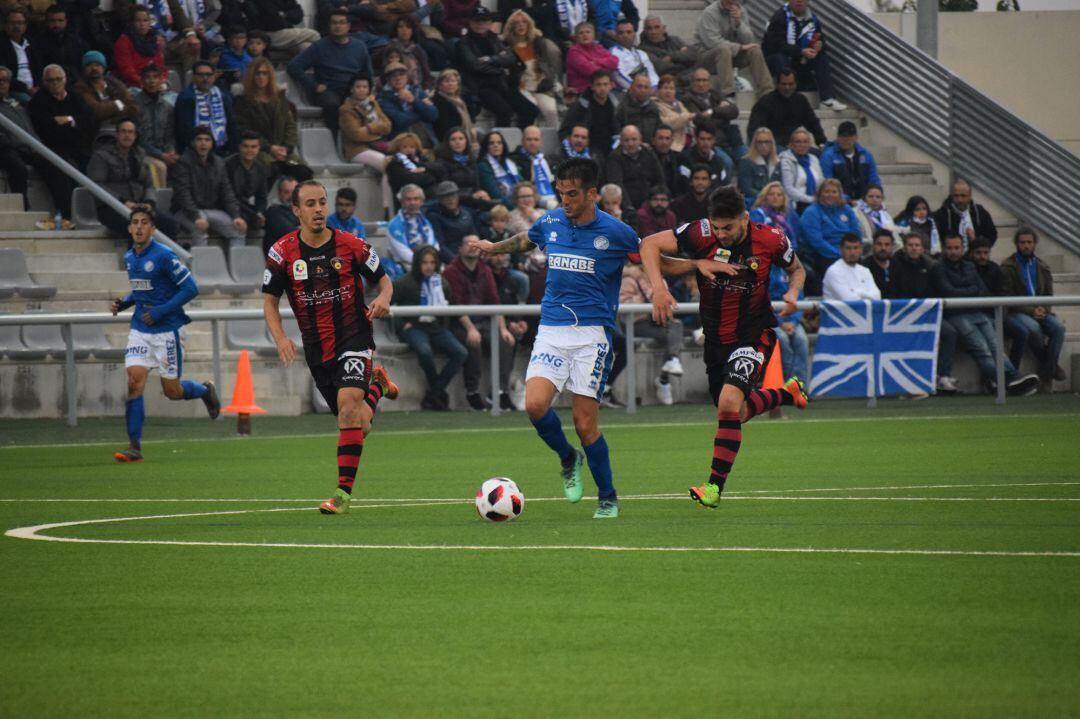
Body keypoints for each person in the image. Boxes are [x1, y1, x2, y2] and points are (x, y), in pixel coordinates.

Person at [468, 158, 642, 519]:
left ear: (592, 194)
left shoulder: (616, 232)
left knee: (585, 423)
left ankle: (607, 496)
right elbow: (525, 240)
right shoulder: (550, 221)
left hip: (592, 335)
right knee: (534, 406)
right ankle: (568, 456)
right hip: (551, 330)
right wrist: (493, 247)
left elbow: (652, 256)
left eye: (573, 194)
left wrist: (688, 270)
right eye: (560, 192)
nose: (564, 200)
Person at [640, 185, 808, 508]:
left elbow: (796, 269)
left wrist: (793, 293)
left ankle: (713, 488)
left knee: (729, 404)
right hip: (715, 340)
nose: (721, 234)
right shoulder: (701, 234)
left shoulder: (771, 238)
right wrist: (659, 289)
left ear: (745, 218)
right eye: (716, 227)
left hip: (753, 333)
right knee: (737, 412)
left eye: (728, 227)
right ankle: (787, 393)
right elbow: (649, 246)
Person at [263, 180, 397, 514]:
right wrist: (280, 337)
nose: (319, 209)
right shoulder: (282, 252)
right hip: (316, 348)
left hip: (354, 336)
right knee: (358, 423)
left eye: (322, 202)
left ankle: (341, 495)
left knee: (349, 409)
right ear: (296, 210)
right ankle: (378, 386)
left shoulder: (352, 245)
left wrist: (383, 297)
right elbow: (269, 301)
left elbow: (384, 280)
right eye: (310, 203)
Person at [110, 206, 220, 463]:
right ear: (129, 228)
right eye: (135, 223)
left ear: (152, 229)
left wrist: (160, 311)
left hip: (167, 331)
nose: (138, 227)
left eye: (144, 223)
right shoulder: (130, 258)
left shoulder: (164, 255)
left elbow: (191, 288)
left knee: (172, 391)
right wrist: (124, 303)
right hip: (140, 329)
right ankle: (134, 447)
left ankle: (204, 391)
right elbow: (140, 292)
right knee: (134, 382)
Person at [931, 234, 1038, 397]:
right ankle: (1011, 379)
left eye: (956, 248)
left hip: (977, 312)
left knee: (996, 347)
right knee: (982, 350)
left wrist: (965, 291)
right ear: (944, 249)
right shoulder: (938, 268)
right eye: (950, 248)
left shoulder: (969, 266)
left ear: (962, 248)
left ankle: (1011, 379)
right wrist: (970, 290)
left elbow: (981, 291)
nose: (953, 252)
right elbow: (949, 292)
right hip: (956, 315)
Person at [392, 244, 468, 410]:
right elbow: (387, 307)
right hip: (413, 328)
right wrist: (402, 324)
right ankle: (438, 393)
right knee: (424, 351)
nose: (428, 266)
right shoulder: (403, 283)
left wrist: (468, 328)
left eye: (432, 262)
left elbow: (453, 304)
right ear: (418, 263)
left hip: (435, 327)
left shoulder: (441, 282)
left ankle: (434, 392)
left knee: (460, 353)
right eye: (425, 262)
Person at [442, 234, 514, 411]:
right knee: (473, 342)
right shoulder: (451, 271)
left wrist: (503, 329)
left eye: (476, 243)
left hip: (484, 320)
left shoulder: (485, 270)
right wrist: (470, 328)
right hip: (460, 322)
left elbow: (494, 301)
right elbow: (455, 303)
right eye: (468, 243)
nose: (472, 246)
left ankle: (499, 391)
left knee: (504, 340)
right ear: (460, 248)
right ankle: (472, 391)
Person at [87, 118, 179, 241]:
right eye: (123, 131)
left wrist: (149, 202)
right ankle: (136, 260)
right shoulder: (101, 156)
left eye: (131, 132)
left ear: (135, 136)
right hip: (111, 207)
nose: (127, 135)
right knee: (137, 227)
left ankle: (167, 259)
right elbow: (97, 186)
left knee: (170, 224)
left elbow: (149, 185)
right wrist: (123, 201)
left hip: (140, 206)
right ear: (117, 134)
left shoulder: (140, 154)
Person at [286, 9, 374, 137]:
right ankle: (335, 140)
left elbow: (368, 73)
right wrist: (314, 86)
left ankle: (371, 141)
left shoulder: (359, 47)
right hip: (329, 91)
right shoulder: (319, 47)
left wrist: (369, 92)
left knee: (372, 105)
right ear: (329, 25)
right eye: (334, 23)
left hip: (353, 90)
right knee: (333, 105)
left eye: (341, 23)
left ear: (348, 26)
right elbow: (293, 66)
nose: (337, 26)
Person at [1000, 226, 1066, 393]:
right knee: (1033, 328)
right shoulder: (1008, 266)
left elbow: (1049, 294)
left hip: (1041, 310)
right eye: (1022, 242)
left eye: (1029, 242)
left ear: (1035, 244)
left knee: (1058, 328)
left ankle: (1046, 371)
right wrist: (1031, 311)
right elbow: (1008, 298)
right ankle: (1050, 371)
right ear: (1016, 244)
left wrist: (1044, 308)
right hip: (1019, 311)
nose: (1026, 246)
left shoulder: (1042, 266)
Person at [28, 64, 92, 225]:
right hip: (51, 148)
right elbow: (46, 128)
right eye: (50, 80)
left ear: (65, 80)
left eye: (58, 79)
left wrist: (68, 120)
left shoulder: (75, 96)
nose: (55, 83)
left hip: (78, 146)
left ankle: (91, 213)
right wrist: (74, 123)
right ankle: (67, 215)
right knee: (61, 171)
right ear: (44, 82)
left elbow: (89, 120)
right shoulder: (38, 101)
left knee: (92, 167)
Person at [455, 6, 538, 129]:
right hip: (481, 86)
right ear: (470, 22)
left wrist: (491, 59)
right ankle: (499, 143)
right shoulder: (463, 43)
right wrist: (499, 68)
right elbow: (475, 66)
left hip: (502, 84)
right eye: (477, 21)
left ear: (489, 23)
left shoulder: (494, 39)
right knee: (504, 111)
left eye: (484, 21)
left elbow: (510, 58)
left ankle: (522, 140)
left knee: (531, 110)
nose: (480, 24)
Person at [761, 0, 846, 111]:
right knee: (779, 58)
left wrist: (820, 46)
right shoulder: (779, 17)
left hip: (800, 61)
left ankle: (828, 99)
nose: (799, 2)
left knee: (822, 57)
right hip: (779, 61)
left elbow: (820, 39)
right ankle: (786, 99)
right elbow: (775, 45)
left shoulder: (813, 19)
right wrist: (800, 51)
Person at [171, 126, 248, 248]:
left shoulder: (219, 163)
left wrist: (236, 216)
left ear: (212, 143)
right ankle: (200, 266)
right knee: (200, 229)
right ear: (193, 143)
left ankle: (235, 266)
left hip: (211, 210)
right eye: (199, 139)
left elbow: (227, 192)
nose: (203, 143)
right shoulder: (183, 163)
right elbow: (183, 193)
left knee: (238, 230)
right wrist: (196, 216)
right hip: (185, 211)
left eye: (207, 140)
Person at [620, 262, 685, 405]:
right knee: (671, 337)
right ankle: (663, 381)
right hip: (636, 323)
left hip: (656, 320)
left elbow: (667, 302)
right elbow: (623, 305)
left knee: (676, 326)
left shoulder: (660, 280)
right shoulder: (630, 279)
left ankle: (671, 362)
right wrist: (646, 298)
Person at [235, 58, 304, 173]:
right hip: (259, 150)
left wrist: (286, 148)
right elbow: (244, 129)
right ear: (252, 76)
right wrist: (270, 148)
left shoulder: (280, 99)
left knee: (302, 170)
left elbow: (290, 126)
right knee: (272, 169)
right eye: (257, 73)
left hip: (283, 151)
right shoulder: (243, 102)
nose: (261, 77)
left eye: (265, 73)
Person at [694, 0, 773, 98]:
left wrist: (739, 22)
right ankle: (728, 93)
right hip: (706, 56)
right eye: (729, 2)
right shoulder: (710, 12)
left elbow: (748, 40)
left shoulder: (741, 11)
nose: (732, 4)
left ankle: (767, 92)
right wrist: (739, 47)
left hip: (731, 55)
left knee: (755, 51)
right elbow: (712, 42)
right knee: (723, 50)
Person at [501, 9, 562, 128]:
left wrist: (549, 80)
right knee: (532, 109)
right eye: (517, 23)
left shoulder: (539, 43)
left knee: (551, 111)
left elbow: (551, 64)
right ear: (511, 27)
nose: (521, 25)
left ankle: (556, 141)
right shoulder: (506, 46)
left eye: (524, 22)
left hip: (540, 86)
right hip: (522, 88)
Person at [747, 67, 826, 148]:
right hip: (772, 147)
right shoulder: (765, 102)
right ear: (777, 84)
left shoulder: (801, 100)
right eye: (783, 84)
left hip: (795, 145)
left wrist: (821, 142)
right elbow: (754, 129)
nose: (787, 88)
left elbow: (812, 123)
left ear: (796, 84)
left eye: (791, 84)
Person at [798, 178, 860, 281]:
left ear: (840, 194)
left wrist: (853, 251)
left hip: (848, 251)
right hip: (823, 255)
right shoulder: (811, 212)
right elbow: (817, 241)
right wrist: (840, 254)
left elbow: (856, 233)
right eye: (826, 191)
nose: (830, 195)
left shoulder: (846, 209)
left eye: (834, 192)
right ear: (820, 193)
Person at [678, 68, 743, 165]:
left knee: (747, 160)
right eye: (698, 80)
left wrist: (712, 112)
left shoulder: (715, 94)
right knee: (727, 163)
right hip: (711, 144)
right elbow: (701, 120)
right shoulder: (686, 98)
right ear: (692, 82)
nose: (701, 84)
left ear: (709, 82)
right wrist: (722, 114)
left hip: (730, 139)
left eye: (704, 80)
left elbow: (734, 111)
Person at [174, 60, 239, 155]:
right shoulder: (186, 98)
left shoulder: (223, 95)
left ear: (214, 76)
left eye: (209, 74)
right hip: (195, 150)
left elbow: (231, 124)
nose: (205, 78)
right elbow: (184, 131)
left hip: (222, 147)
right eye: (200, 75)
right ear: (194, 77)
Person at [133, 64, 177, 188]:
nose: (152, 81)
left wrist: (171, 152)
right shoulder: (135, 106)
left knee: (183, 163)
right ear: (141, 81)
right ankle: (159, 204)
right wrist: (160, 155)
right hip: (141, 153)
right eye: (147, 78)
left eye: (155, 77)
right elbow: (138, 140)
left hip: (163, 152)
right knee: (160, 167)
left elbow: (169, 135)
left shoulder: (167, 107)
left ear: (161, 80)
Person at [558, 69, 616, 161]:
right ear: (592, 86)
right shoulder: (580, 107)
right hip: (587, 149)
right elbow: (564, 131)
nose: (602, 88)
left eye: (605, 84)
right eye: (598, 84)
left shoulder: (615, 106)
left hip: (610, 147)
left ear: (611, 86)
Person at [27, 5, 89, 87]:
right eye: (52, 21)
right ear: (46, 21)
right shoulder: (38, 43)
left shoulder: (76, 41)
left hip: (76, 83)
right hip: (51, 85)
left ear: (66, 21)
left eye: (60, 20)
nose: (56, 25)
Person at [606, 125, 664, 210]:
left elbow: (659, 178)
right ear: (621, 141)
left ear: (640, 140)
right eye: (626, 140)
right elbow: (617, 184)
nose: (630, 143)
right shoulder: (614, 157)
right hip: (627, 205)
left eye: (634, 139)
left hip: (650, 203)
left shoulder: (648, 152)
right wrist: (629, 207)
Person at [377, 60, 437, 142]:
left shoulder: (417, 91)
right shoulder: (382, 98)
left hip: (426, 139)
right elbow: (400, 121)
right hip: (401, 142)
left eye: (401, 74)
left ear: (406, 77)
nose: (398, 78)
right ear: (388, 80)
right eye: (393, 76)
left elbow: (433, 115)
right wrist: (422, 112)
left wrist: (414, 101)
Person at [820, 121, 880, 202]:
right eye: (842, 136)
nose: (845, 140)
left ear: (856, 138)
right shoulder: (828, 156)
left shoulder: (866, 155)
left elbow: (874, 179)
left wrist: (872, 196)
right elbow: (827, 182)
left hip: (864, 201)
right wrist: (846, 200)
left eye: (849, 137)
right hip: (838, 202)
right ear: (837, 137)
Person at [386, 183, 439, 275]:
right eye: (408, 199)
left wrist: (430, 262)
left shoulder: (425, 221)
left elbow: (434, 245)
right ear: (402, 202)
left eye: (416, 199)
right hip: (405, 266)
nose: (412, 203)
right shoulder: (394, 224)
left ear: (421, 202)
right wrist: (424, 263)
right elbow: (403, 253)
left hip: (428, 264)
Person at [932, 179, 997, 252]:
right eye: (956, 196)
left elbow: (992, 235)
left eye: (963, 196)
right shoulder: (941, 215)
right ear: (951, 195)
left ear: (970, 196)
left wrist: (979, 244)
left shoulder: (980, 212)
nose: (960, 200)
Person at [112, 4, 167, 90]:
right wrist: (145, 84)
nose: (142, 24)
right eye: (138, 21)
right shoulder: (123, 42)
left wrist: (162, 82)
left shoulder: (155, 40)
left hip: (156, 85)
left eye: (145, 20)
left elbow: (161, 67)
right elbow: (127, 71)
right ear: (132, 22)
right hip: (134, 87)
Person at [225, 130, 270, 235]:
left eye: (253, 147)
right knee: (245, 221)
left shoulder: (261, 168)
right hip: (227, 205)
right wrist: (254, 214)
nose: (249, 150)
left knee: (271, 218)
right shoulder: (228, 166)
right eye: (246, 146)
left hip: (245, 207)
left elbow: (262, 197)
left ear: (259, 149)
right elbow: (229, 197)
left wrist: (259, 212)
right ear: (240, 147)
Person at [243, 0, 320, 60]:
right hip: (268, 34)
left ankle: (300, 75)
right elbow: (274, 22)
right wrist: (287, 18)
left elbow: (299, 15)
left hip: (286, 34)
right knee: (314, 34)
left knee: (306, 47)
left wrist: (284, 14)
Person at [638, 15, 701, 87]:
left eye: (657, 27)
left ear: (664, 28)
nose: (653, 31)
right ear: (645, 31)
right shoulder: (642, 49)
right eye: (649, 28)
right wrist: (683, 58)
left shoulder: (675, 40)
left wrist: (672, 57)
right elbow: (661, 68)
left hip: (689, 79)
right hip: (670, 84)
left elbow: (693, 55)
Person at [427, 180, 481, 260]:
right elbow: (440, 245)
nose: (450, 199)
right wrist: (457, 262)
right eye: (446, 196)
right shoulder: (434, 216)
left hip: (470, 255)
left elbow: (475, 238)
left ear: (458, 196)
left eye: (452, 195)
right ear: (440, 199)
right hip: (450, 260)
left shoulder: (466, 214)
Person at [510, 125, 557, 208]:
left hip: (552, 198)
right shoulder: (513, 160)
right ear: (522, 141)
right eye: (529, 139)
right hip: (530, 202)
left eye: (536, 139)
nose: (532, 143)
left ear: (540, 142)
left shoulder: (546, 160)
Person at [564, 21, 618, 95]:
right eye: (581, 33)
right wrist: (606, 67)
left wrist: (596, 61)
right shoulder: (574, 52)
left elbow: (614, 62)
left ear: (593, 35)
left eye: (588, 32)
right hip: (583, 90)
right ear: (576, 37)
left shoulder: (598, 47)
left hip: (603, 88)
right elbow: (590, 70)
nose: (585, 35)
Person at [822, 233, 879, 301]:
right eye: (848, 248)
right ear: (841, 249)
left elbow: (877, 296)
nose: (852, 252)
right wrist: (866, 294)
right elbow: (848, 300)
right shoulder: (834, 271)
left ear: (861, 249)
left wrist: (858, 293)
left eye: (856, 248)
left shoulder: (865, 271)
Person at [778, 126, 823, 213]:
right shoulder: (786, 160)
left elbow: (821, 182)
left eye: (805, 142)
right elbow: (788, 188)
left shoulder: (814, 159)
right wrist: (810, 199)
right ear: (791, 144)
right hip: (797, 204)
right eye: (798, 142)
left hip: (816, 201)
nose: (802, 145)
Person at [677, 120, 732, 190]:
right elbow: (684, 187)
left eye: (709, 139)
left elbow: (724, 186)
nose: (706, 143)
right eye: (702, 139)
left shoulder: (718, 161)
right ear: (696, 139)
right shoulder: (685, 159)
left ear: (714, 140)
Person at [385, 131, 440, 198]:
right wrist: (430, 176)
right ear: (398, 148)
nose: (409, 150)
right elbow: (412, 179)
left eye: (412, 147)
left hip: (430, 195)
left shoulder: (422, 159)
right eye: (405, 147)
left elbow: (439, 170)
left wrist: (425, 169)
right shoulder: (395, 163)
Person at [609, 19, 658, 90]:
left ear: (634, 34)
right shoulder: (613, 53)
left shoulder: (642, 53)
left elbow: (652, 73)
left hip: (648, 91)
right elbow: (618, 76)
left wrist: (654, 88)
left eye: (629, 32)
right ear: (616, 35)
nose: (625, 35)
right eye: (621, 33)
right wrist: (640, 89)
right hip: (627, 93)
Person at [477, 130, 522, 206]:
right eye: (491, 143)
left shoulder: (510, 162)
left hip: (520, 202)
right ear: (486, 147)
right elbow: (496, 195)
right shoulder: (483, 166)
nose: (496, 145)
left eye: (499, 142)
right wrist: (516, 209)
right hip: (501, 206)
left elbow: (522, 183)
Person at [886, 232, 935, 301]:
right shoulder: (895, 264)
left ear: (922, 249)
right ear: (904, 248)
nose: (914, 248)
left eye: (917, 245)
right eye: (910, 245)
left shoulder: (929, 265)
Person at [614, 72, 661, 143]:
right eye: (639, 86)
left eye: (646, 87)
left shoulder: (653, 107)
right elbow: (618, 133)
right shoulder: (622, 108)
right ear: (631, 88)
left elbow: (659, 129)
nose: (642, 90)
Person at [430, 69, 474, 144]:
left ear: (458, 84)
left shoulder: (460, 100)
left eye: (453, 81)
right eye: (447, 81)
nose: (450, 84)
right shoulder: (439, 101)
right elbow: (443, 128)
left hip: (462, 135)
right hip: (450, 140)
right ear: (440, 85)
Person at [738, 127, 781, 202]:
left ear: (772, 143)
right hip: (755, 200)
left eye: (767, 142)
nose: (763, 145)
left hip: (775, 200)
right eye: (760, 142)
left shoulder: (777, 162)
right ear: (755, 144)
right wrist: (766, 197)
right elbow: (746, 189)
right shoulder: (746, 162)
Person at [654, 77, 694, 153]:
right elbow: (666, 123)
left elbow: (690, 122)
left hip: (691, 145)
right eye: (665, 88)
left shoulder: (678, 104)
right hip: (674, 147)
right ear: (658, 90)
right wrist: (687, 117)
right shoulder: (655, 105)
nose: (668, 91)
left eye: (671, 88)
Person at [263, 175, 300, 254]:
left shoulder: (303, 210)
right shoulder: (273, 212)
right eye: (286, 192)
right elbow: (291, 233)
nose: (291, 196)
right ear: (280, 194)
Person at [651, 124, 682, 195]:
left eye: (667, 138)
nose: (664, 142)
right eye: (660, 138)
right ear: (653, 140)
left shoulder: (678, 159)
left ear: (672, 141)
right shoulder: (646, 159)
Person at [216, 26, 251, 90]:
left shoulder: (249, 55)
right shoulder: (223, 56)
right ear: (229, 40)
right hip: (229, 88)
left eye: (241, 38)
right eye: (235, 38)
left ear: (246, 40)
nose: (238, 41)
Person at [861, 228, 894, 296]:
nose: (883, 248)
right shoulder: (864, 267)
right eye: (879, 244)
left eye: (887, 244)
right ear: (873, 245)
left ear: (892, 246)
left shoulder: (898, 266)